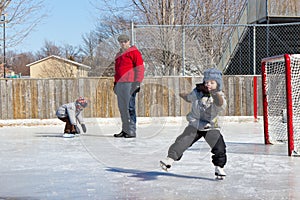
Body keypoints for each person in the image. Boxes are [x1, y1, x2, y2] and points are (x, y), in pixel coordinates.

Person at [160, 68, 227, 179]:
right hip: (195, 124)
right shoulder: (198, 92)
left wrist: (215, 95)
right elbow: (189, 98)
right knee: (182, 141)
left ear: (218, 84)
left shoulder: (219, 95)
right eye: (207, 82)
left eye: (212, 82)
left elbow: (221, 104)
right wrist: (184, 95)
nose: (208, 84)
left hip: (211, 126)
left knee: (219, 147)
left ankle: (219, 167)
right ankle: (170, 159)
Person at [113, 34, 145, 138]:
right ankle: (125, 129)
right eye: (121, 41)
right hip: (120, 84)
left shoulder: (134, 52)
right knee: (122, 108)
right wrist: (115, 83)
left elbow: (140, 67)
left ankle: (131, 130)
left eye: (125, 41)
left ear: (128, 41)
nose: (123, 43)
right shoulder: (118, 55)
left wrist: (137, 82)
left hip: (129, 83)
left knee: (130, 107)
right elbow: (117, 70)